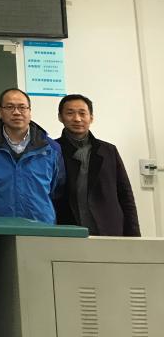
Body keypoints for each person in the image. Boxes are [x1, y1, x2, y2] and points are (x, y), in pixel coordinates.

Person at [54, 94, 139, 236]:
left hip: (109, 229)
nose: (77, 119)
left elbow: (125, 195)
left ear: (91, 118)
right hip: (68, 229)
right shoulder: (52, 150)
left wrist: (133, 235)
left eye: (82, 113)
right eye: (70, 113)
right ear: (60, 117)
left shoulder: (109, 151)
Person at [0, 88, 64, 223]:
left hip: (41, 226)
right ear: (0, 111)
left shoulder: (51, 148)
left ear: (29, 111)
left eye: (22, 107)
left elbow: (57, 189)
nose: (16, 112)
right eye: (9, 107)